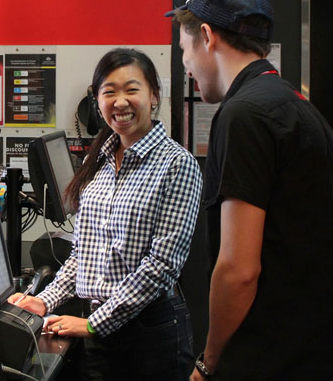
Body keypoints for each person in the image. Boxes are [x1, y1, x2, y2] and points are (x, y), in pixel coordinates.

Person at [167, 0, 333, 380]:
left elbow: (239, 269)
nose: (185, 64)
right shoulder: (296, 105)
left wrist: (208, 359)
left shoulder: (243, 116)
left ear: (206, 36)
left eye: (184, 51)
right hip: (320, 352)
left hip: (272, 360)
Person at [10, 48, 202, 381]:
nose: (120, 102)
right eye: (109, 92)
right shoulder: (98, 158)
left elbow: (162, 266)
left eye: (131, 89)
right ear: (97, 100)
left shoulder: (177, 164)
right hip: (99, 333)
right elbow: (83, 252)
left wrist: (93, 324)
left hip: (149, 334)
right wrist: (44, 301)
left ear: (154, 95)